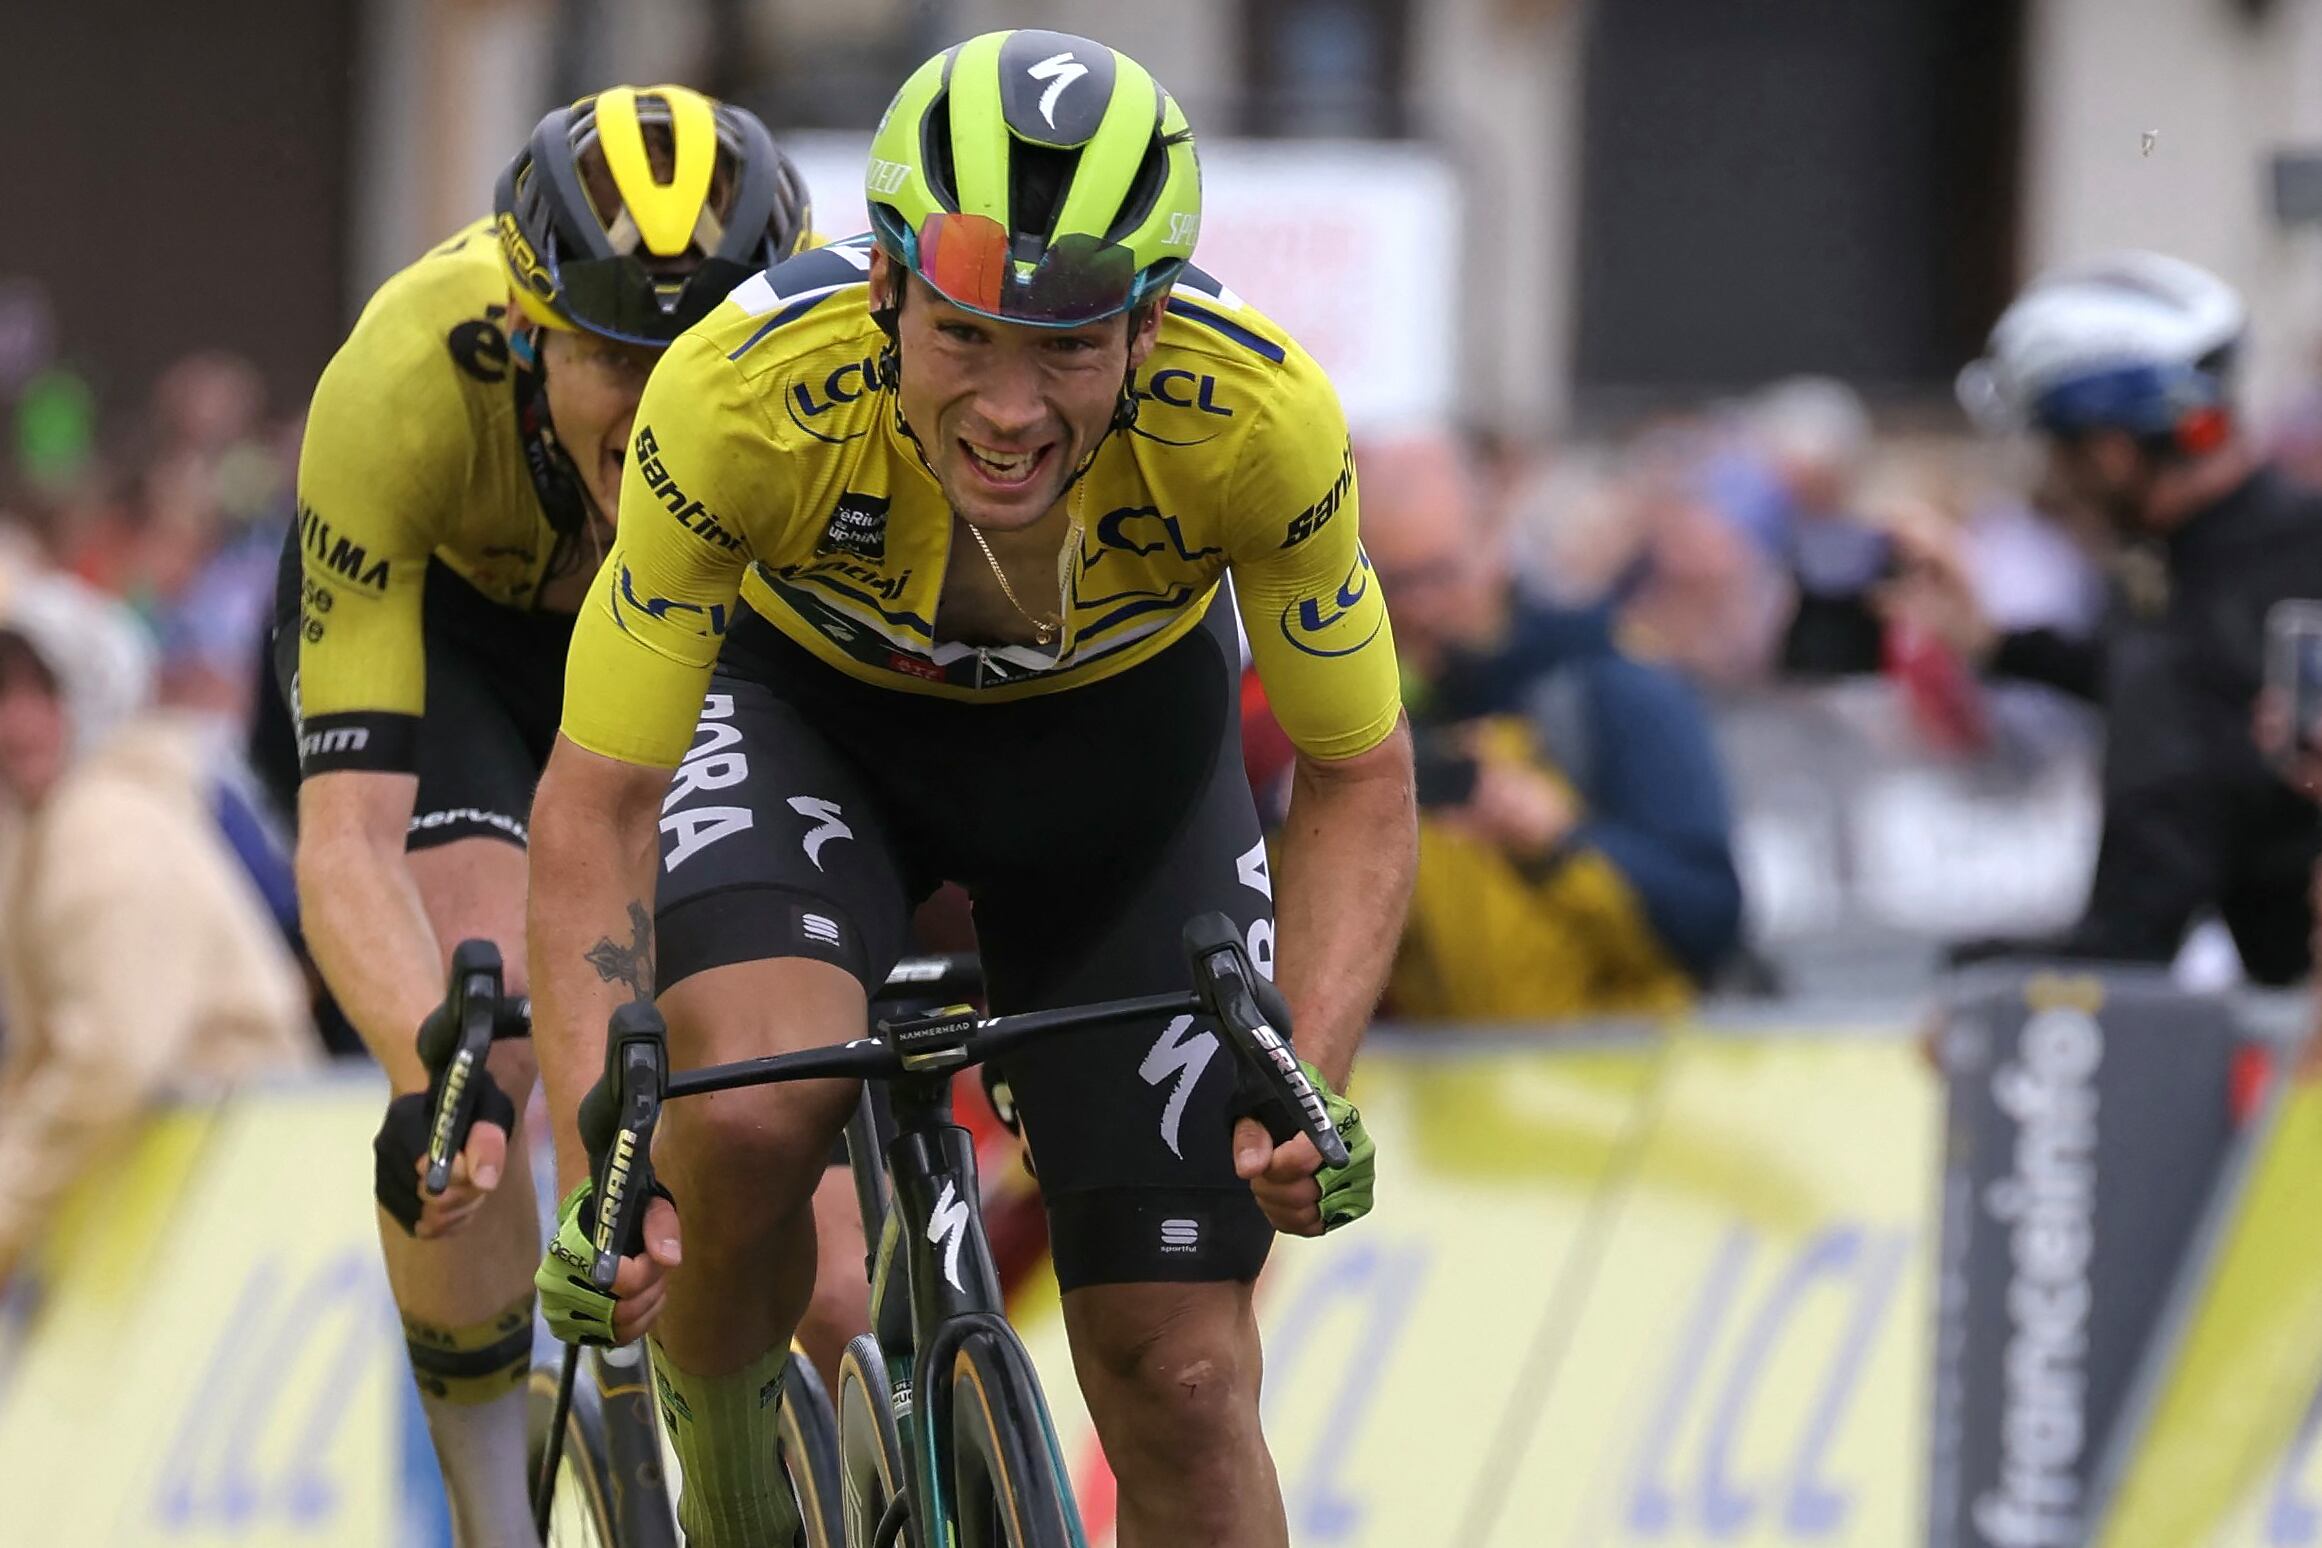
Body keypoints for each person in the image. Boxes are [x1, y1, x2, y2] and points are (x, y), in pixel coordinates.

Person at [523, 31, 1411, 1548]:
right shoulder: (737, 400)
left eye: (1066, 347)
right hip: (810, 725)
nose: (1011, 409)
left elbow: (1354, 776)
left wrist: (1304, 1076)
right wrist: (603, 1151)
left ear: (1147, 329)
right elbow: (598, 797)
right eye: (964, 337)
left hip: (1116, 767)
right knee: (742, 1122)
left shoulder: (1258, 422)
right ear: (881, 288)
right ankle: (732, 1482)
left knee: (1186, 1380)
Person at [264, 85, 813, 1545]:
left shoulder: (824, 382)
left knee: (771, 1014)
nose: (657, 403)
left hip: (694, 622)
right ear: (524, 326)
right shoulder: (398, 380)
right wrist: (418, 1062)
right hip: (466, 645)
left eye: (697, 356)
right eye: (616, 354)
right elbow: (347, 842)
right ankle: (492, 1512)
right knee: (481, 1038)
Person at [1888, 250, 2322, 980]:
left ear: (2113, 447)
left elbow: (2131, 935)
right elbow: (2170, 683)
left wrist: (1972, 987)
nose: (2052, 475)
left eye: (2057, 445)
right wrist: (1996, 644)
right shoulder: (2226, 560)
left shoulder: (2200, 596)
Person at [0, 562, 314, 1290]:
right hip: (214, 1194)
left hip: (230, 1201)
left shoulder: (104, 831)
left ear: (92, 690)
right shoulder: (76, 819)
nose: (15, 723)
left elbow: (113, 1057)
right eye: (3, 695)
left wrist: (9, 1209)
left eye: (41, 691)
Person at [1359, 433, 1743, 1018]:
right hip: (1443, 1094)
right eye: (1392, 582)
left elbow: (1710, 919)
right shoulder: (1363, 718)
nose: (1416, 607)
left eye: (1439, 574)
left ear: (1495, 547)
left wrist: (1558, 841)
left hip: (1621, 1088)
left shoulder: (1611, 686)